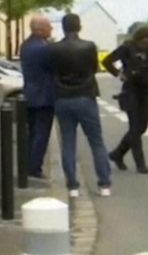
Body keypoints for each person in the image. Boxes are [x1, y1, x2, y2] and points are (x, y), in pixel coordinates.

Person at [48, 13, 112, 198]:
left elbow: (52, 71)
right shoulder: (89, 47)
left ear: (63, 27)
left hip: (63, 98)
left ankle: (73, 186)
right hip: (85, 96)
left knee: (68, 142)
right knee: (96, 141)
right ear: (79, 27)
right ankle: (104, 184)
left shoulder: (54, 49)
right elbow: (93, 69)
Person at [104, 25, 148, 174]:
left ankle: (117, 153)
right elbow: (107, 61)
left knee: (142, 126)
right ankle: (140, 163)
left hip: (145, 91)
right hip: (130, 90)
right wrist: (119, 74)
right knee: (134, 127)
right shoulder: (127, 48)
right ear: (137, 40)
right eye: (143, 42)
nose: (146, 45)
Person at [17, 14, 55, 180]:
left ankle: (27, 165)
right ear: (40, 29)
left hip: (30, 93)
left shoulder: (26, 45)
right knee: (41, 134)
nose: (51, 28)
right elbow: (53, 68)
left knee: (31, 133)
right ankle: (34, 168)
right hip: (44, 96)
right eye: (49, 26)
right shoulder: (44, 48)